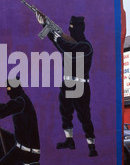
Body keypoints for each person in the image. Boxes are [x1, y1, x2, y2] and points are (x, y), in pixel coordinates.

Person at [36, 13, 97, 157]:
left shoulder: (85, 46)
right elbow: (60, 44)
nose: (70, 29)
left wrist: (55, 34)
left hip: (80, 84)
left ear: (80, 28)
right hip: (67, 82)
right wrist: (45, 26)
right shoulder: (69, 42)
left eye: (73, 27)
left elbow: (65, 47)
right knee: (65, 112)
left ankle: (91, 146)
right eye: (69, 27)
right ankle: (69, 140)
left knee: (84, 115)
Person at [0, 77, 40, 165]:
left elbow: (2, 111)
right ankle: (5, 163)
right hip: (21, 144)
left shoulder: (21, 101)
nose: (7, 91)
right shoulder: (23, 99)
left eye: (9, 88)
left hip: (26, 153)